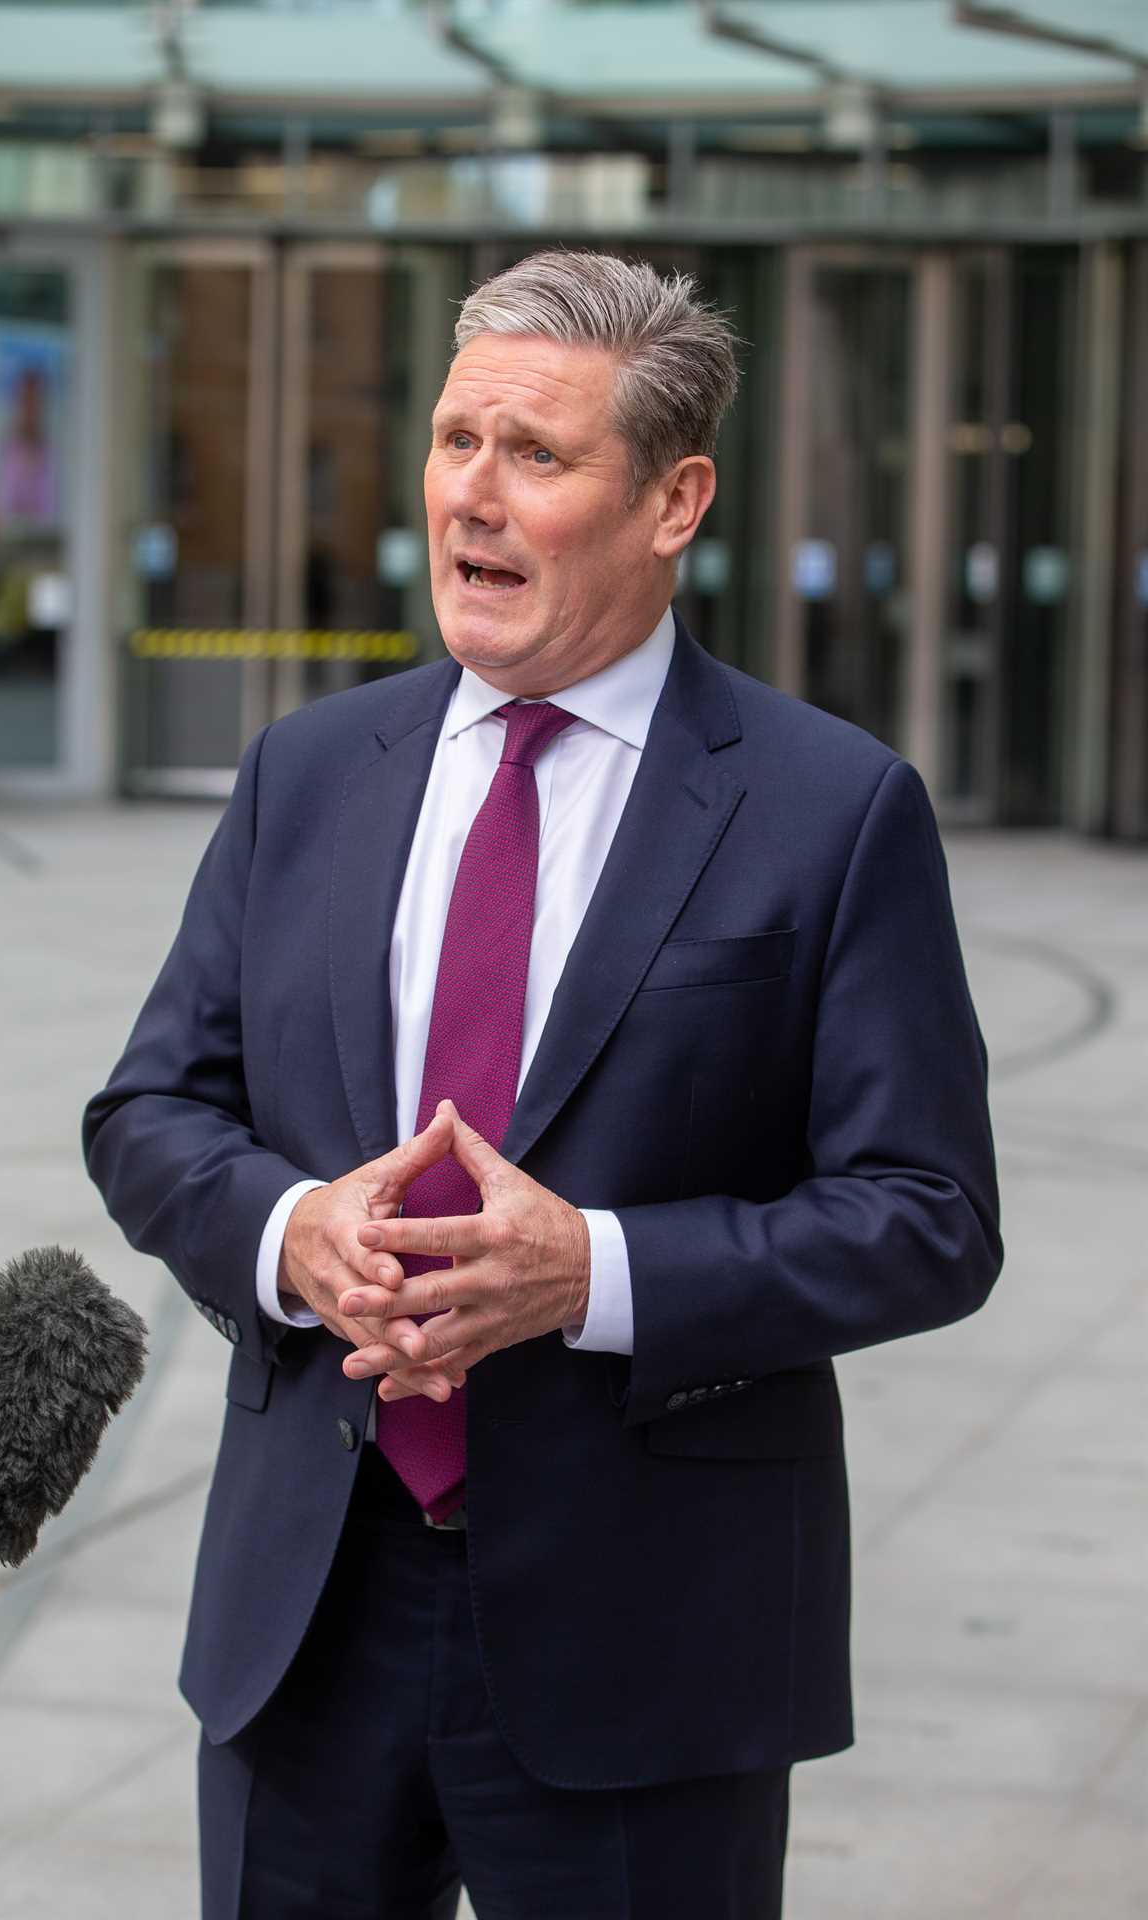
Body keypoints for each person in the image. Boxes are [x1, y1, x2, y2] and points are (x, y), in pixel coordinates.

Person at [83, 249, 1002, 1920]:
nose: (471, 500)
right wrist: (293, 1231)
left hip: (649, 1642)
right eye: (453, 442)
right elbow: (150, 1111)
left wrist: (596, 1274)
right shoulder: (308, 771)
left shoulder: (831, 808)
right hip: (310, 1614)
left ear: (675, 500)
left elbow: (928, 1218)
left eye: (538, 456)